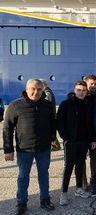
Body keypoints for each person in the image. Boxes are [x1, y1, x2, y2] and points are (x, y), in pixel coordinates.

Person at [3, 79, 56, 215]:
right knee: (23, 176)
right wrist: (8, 150)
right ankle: (22, 202)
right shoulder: (16, 105)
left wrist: (52, 138)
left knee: (43, 174)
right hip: (24, 149)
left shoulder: (47, 105)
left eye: (39, 89)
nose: (36, 92)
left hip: (43, 149)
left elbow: (52, 124)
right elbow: (7, 128)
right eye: (33, 88)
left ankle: (45, 199)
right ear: (26, 89)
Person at [57, 81, 96, 206]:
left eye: (84, 90)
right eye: (79, 90)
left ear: (87, 91)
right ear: (74, 90)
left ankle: (79, 189)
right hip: (71, 141)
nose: (81, 92)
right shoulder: (66, 104)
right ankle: (63, 193)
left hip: (84, 141)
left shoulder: (88, 104)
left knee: (80, 165)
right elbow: (59, 123)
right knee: (68, 166)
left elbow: (90, 124)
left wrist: (92, 139)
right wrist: (65, 138)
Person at [83, 74, 96, 189]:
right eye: (91, 84)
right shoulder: (81, 96)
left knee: (95, 159)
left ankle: (94, 181)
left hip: (95, 133)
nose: (93, 86)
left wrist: (95, 137)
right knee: (81, 160)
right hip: (83, 134)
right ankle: (84, 184)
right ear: (86, 84)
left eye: (95, 83)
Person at [40, 79, 61, 151]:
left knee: (50, 131)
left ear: (43, 85)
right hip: (50, 115)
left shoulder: (47, 93)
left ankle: (56, 146)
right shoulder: (47, 92)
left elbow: (47, 104)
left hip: (49, 116)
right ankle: (55, 145)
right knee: (50, 131)